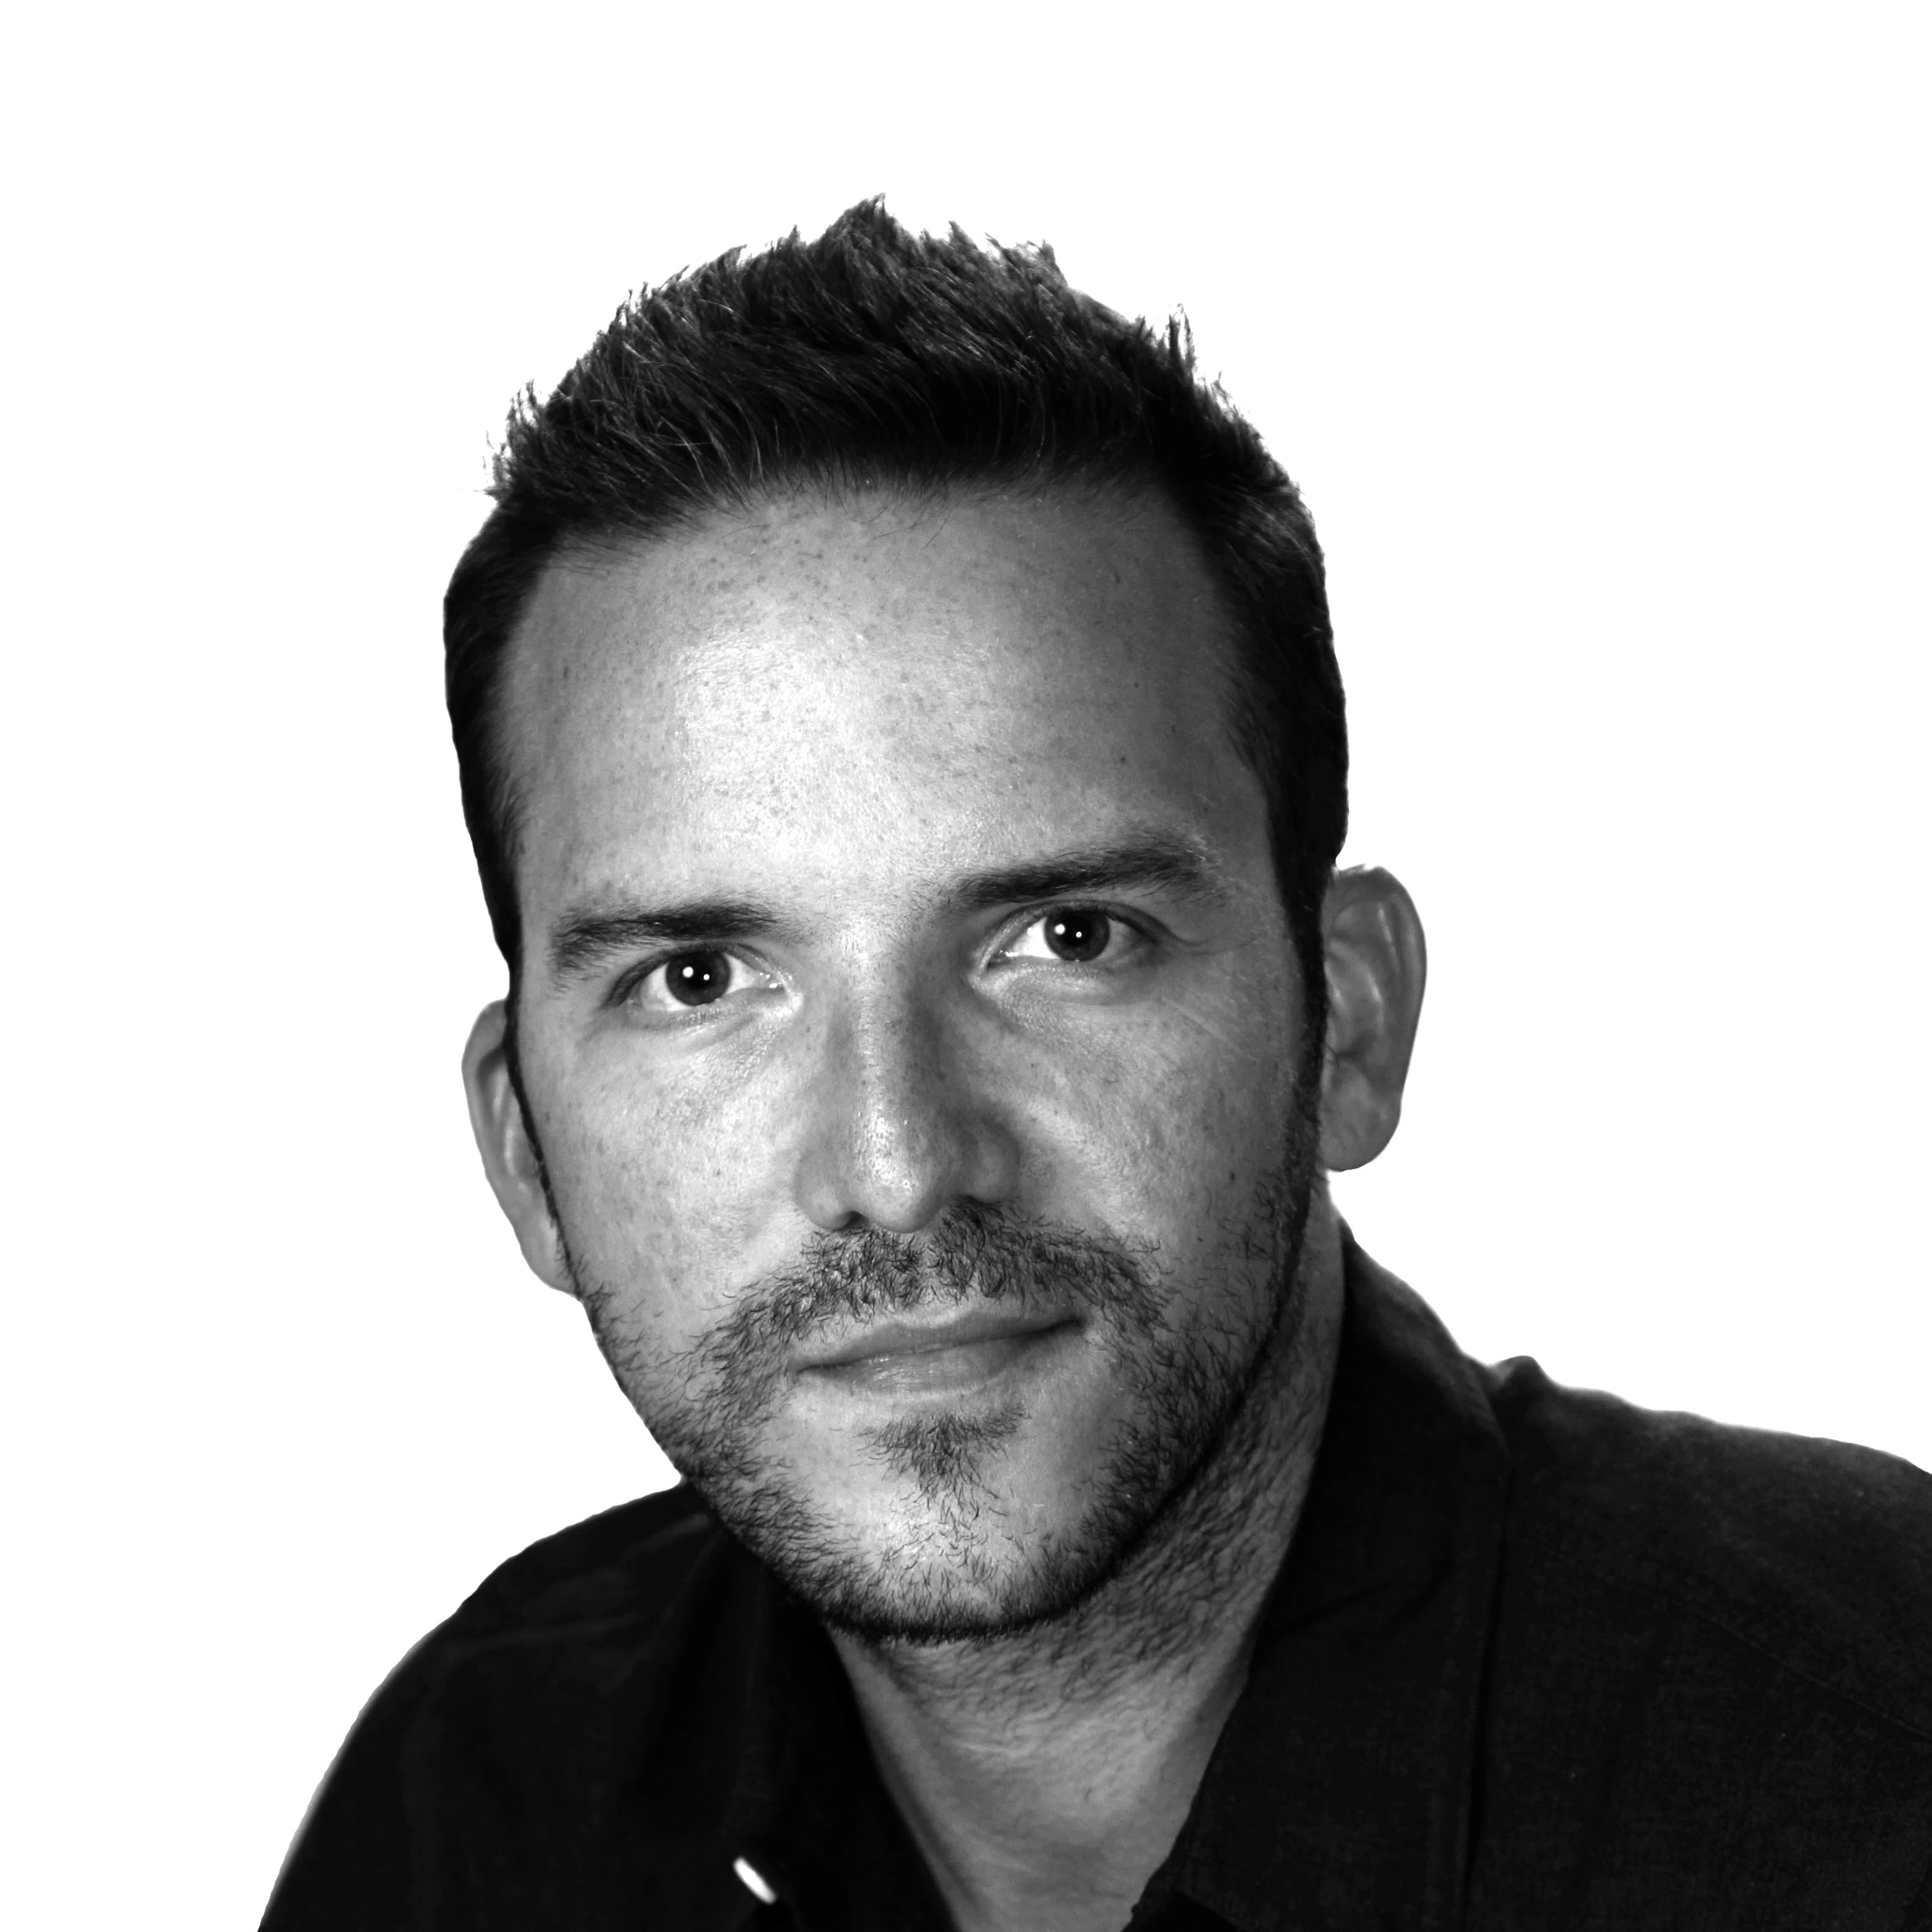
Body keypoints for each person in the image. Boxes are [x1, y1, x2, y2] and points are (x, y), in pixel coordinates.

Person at [261, 201, 1932, 1931]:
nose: (902, 1161)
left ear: (1345, 1020)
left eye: (1068, 939)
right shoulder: (489, 1804)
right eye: (702, 979)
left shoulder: (1880, 1764)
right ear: (526, 1151)